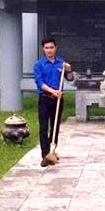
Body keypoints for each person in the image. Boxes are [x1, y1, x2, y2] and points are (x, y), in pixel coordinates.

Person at [34, 36, 73, 167]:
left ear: (55, 48)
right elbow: (40, 83)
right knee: (43, 128)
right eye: (46, 48)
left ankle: (52, 151)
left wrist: (69, 70)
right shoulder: (39, 65)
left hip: (58, 100)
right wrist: (53, 91)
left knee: (55, 127)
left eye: (51, 47)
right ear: (43, 49)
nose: (49, 50)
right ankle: (45, 155)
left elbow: (70, 78)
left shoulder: (61, 63)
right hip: (45, 99)